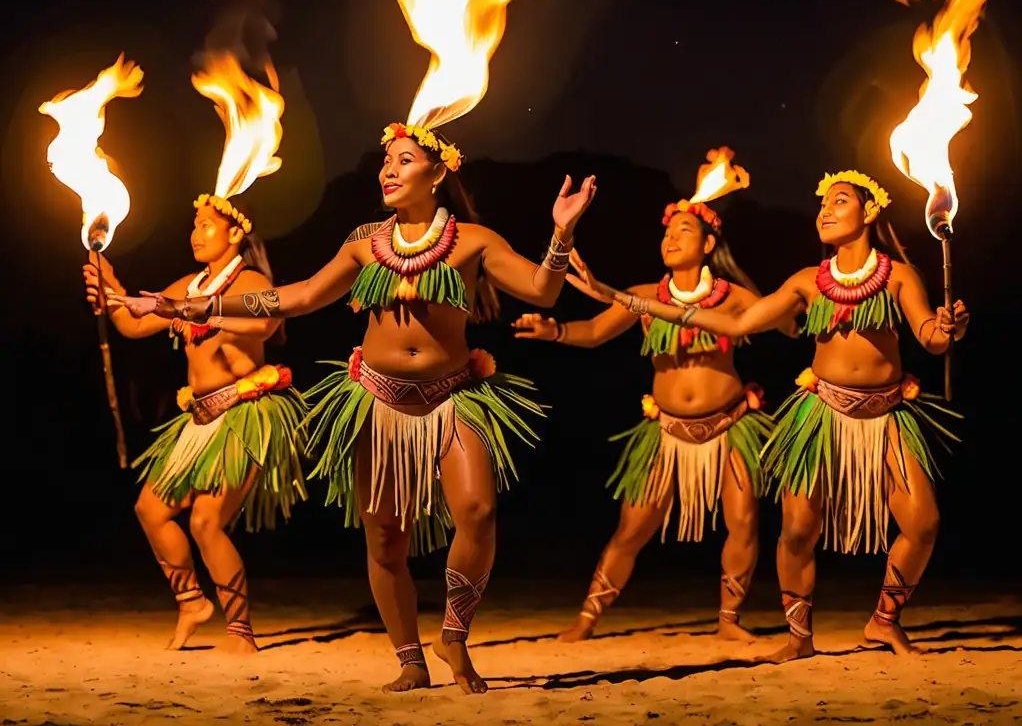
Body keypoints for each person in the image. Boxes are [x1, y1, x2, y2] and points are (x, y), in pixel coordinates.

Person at [106, 122, 597, 693]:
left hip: (452, 397)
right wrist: (192, 305)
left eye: (405, 160)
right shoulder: (365, 240)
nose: (388, 170)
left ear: (438, 172)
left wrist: (561, 233)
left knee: (479, 512)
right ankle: (410, 659)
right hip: (379, 402)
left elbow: (541, 291)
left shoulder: (473, 242)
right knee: (386, 538)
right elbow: (302, 296)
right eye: (386, 161)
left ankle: (454, 634)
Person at [567, 169, 968, 662]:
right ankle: (800, 637)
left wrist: (949, 328)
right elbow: (736, 322)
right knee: (798, 529)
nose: (825, 209)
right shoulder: (806, 282)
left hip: (886, 416)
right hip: (821, 414)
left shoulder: (900, 276)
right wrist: (625, 298)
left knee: (923, 522)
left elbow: (930, 337)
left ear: (869, 212)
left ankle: (884, 621)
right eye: (823, 202)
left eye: (839, 201)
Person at [515, 157, 795, 642]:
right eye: (668, 233)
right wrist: (555, 330)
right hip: (664, 431)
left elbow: (788, 323)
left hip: (731, 427)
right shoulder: (645, 295)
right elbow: (596, 330)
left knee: (744, 521)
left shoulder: (735, 298)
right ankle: (587, 618)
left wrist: (797, 310)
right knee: (632, 528)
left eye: (684, 231)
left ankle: (729, 622)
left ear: (708, 244)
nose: (671, 239)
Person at [84, 195, 307, 654]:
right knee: (151, 510)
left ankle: (239, 631)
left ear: (234, 234)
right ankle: (191, 601)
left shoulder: (251, 281)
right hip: (199, 418)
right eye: (194, 224)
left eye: (206, 225)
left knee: (207, 521)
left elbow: (263, 325)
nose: (195, 233)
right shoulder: (189, 284)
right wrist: (112, 289)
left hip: (244, 414)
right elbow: (134, 323)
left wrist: (192, 309)